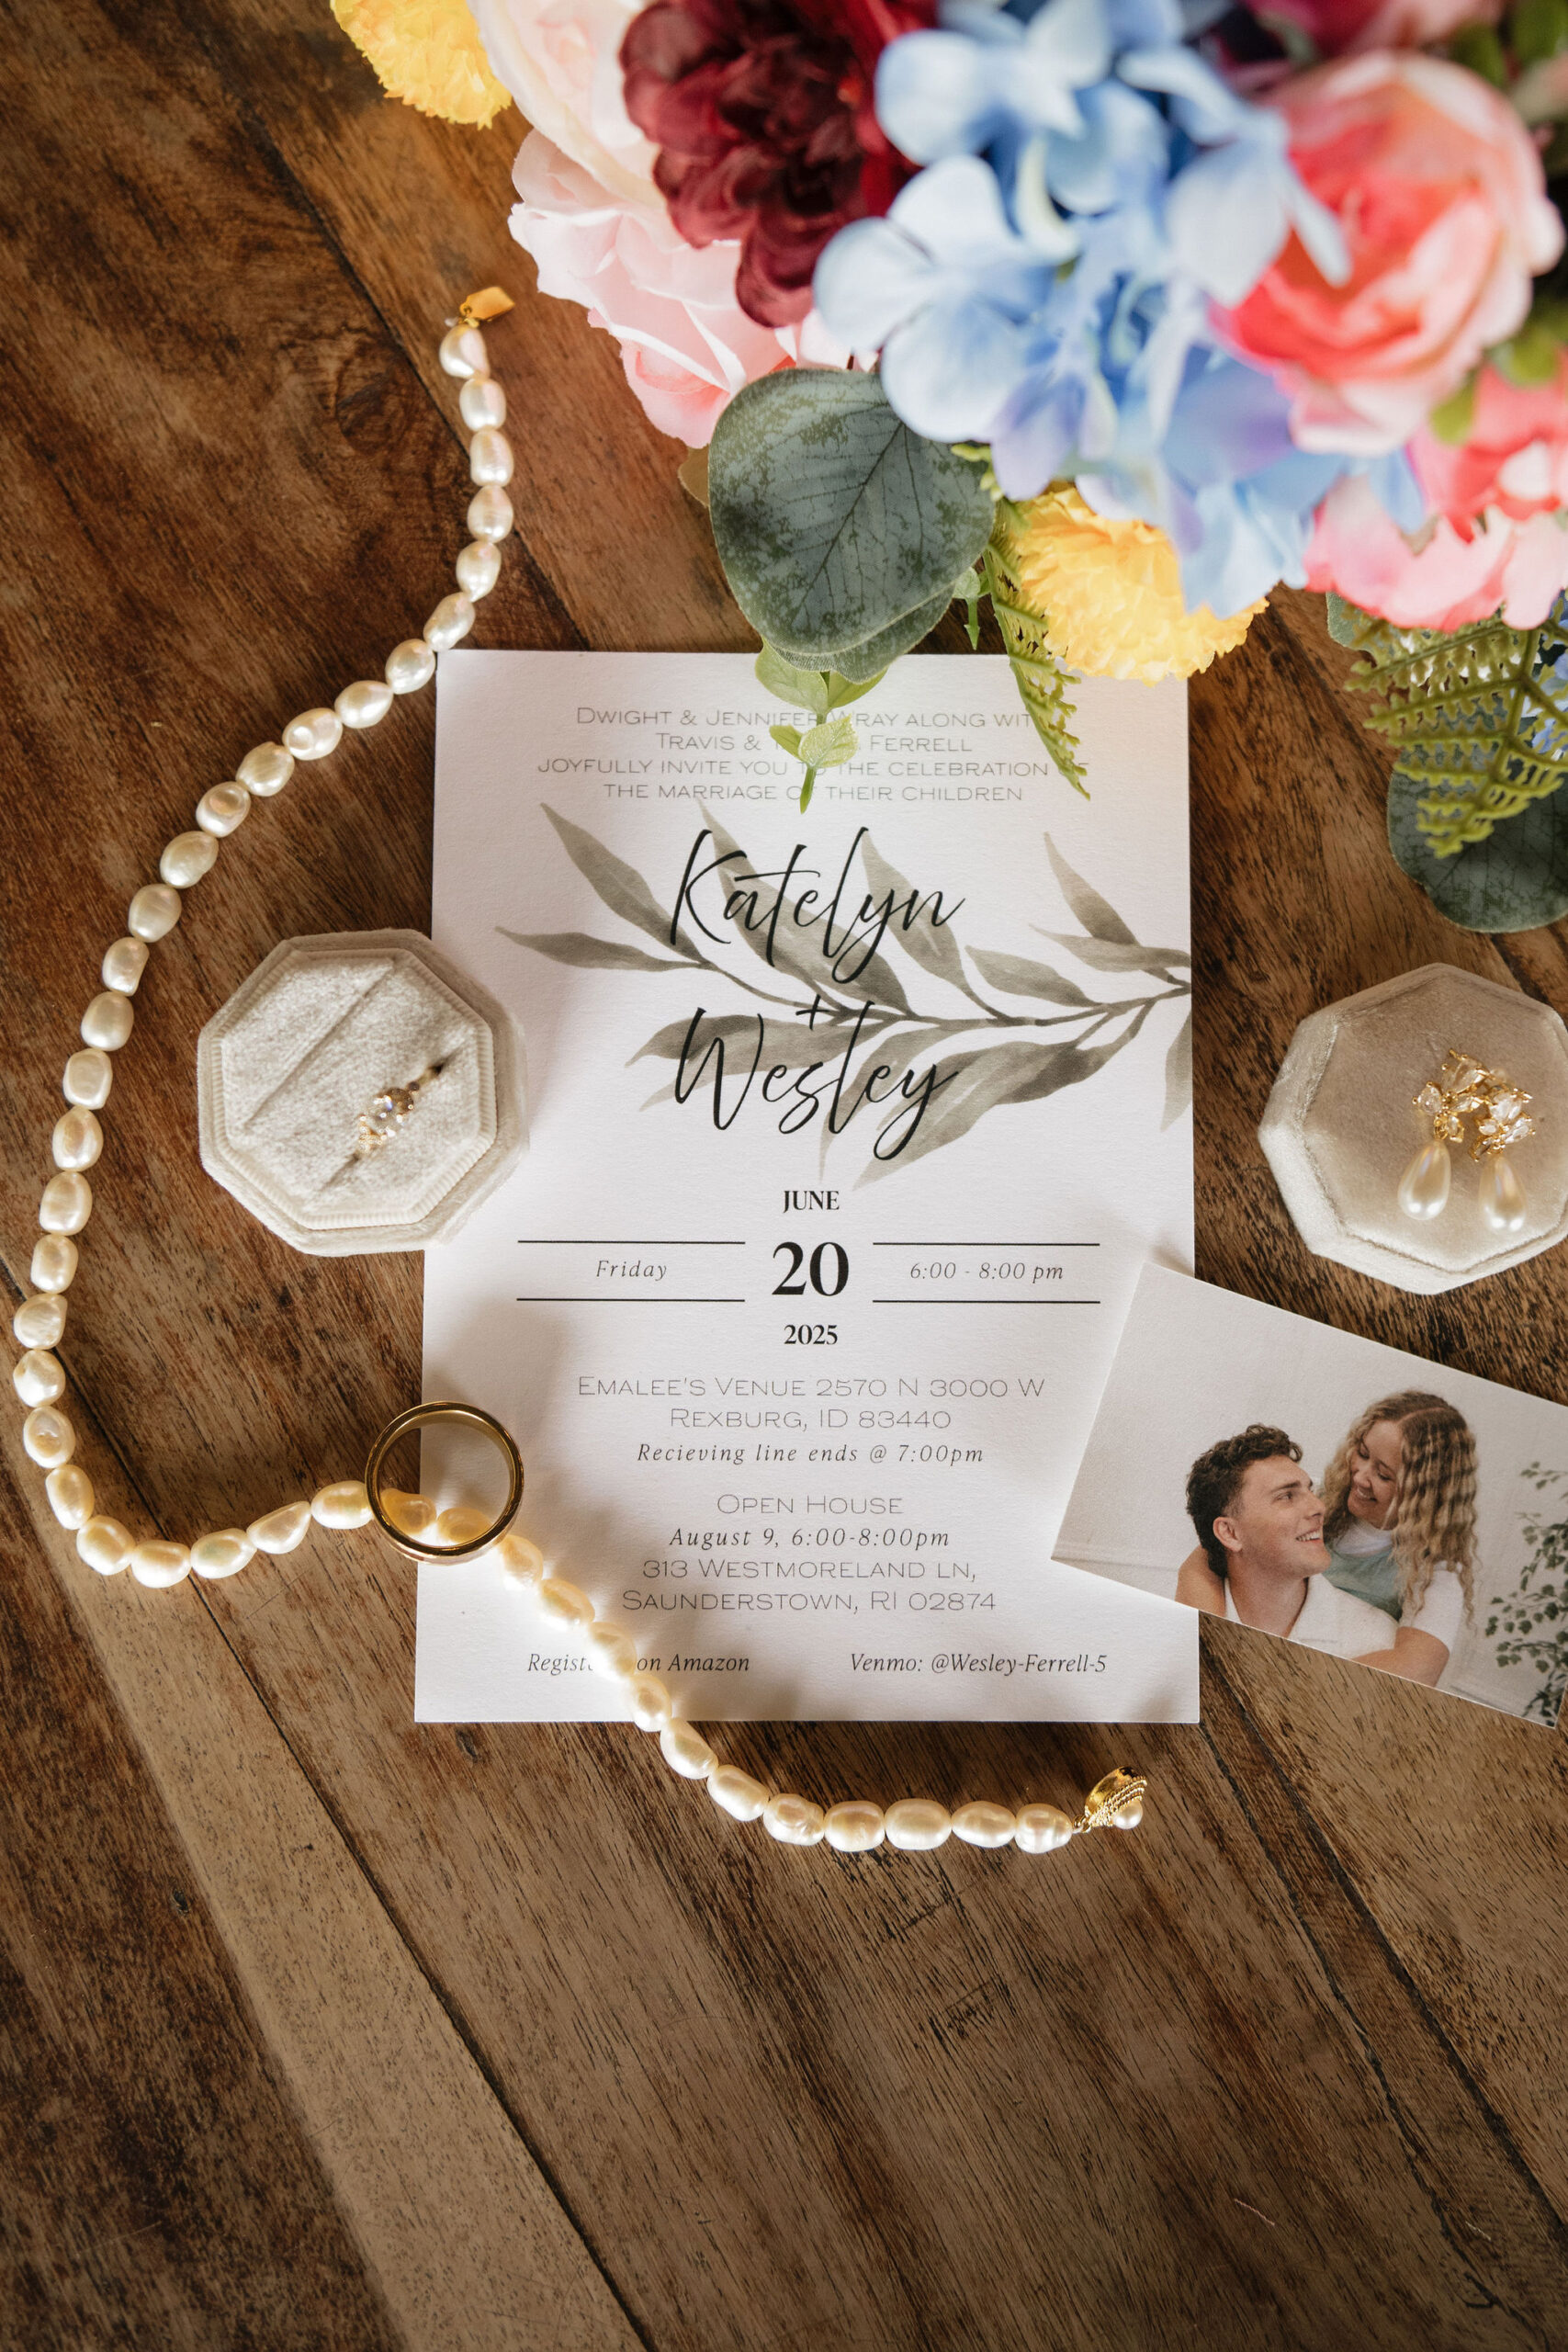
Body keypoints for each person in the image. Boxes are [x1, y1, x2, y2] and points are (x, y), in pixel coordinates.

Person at [1177, 1396, 1475, 1686]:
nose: (1360, 1476)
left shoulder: (1436, 1572)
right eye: (1362, 1452)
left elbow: (1415, 1670)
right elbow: (1210, 1553)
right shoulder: (1317, 1500)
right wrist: (1211, 1647)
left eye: (1384, 1475)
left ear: (1424, 1494)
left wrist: (1276, 1685)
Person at [1179, 1425, 1403, 1661]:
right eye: (1286, 1496)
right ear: (1230, 1533)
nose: (1319, 1507)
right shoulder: (1177, 1631)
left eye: (1310, 1491)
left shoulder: (1376, 1639)